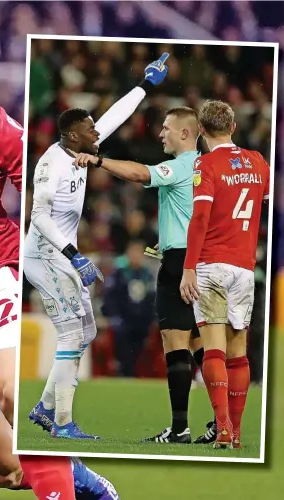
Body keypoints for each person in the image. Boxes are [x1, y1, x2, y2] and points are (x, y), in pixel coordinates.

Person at [0, 103, 120, 500]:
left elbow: (44, 196)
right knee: (4, 471)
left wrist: (62, 257)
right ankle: (72, 472)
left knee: (6, 389)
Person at [25, 53, 169, 440]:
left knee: (86, 332)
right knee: (73, 333)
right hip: (44, 255)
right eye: (90, 131)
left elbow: (114, 116)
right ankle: (62, 425)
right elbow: (38, 217)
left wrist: (145, 84)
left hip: (65, 255)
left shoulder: (82, 149)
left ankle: (45, 406)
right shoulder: (49, 166)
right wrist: (76, 256)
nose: (97, 134)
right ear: (73, 136)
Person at [70, 106, 205, 444]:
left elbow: (139, 174)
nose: (160, 134)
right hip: (201, 258)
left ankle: (180, 429)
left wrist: (98, 160)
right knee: (203, 344)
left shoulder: (179, 166)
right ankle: (224, 421)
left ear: (185, 134)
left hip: (180, 265)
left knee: (176, 342)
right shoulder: (206, 167)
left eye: (167, 128)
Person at [180, 100, 270, 449]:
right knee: (239, 352)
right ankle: (237, 433)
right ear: (233, 127)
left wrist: (189, 267)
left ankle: (221, 428)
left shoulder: (206, 164)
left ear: (201, 131)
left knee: (213, 350)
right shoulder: (258, 163)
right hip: (245, 268)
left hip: (212, 266)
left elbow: (200, 218)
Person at [102, 239, 155, 377]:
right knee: (124, 352)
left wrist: (152, 319)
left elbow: (152, 299)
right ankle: (124, 372)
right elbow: (110, 297)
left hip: (142, 322)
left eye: (139, 252)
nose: (136, 255)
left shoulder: (147, 275)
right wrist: (114, 316)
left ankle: (136, 376)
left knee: (140, 353)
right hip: (123, 321)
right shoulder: (119, 274)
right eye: (133, 252)